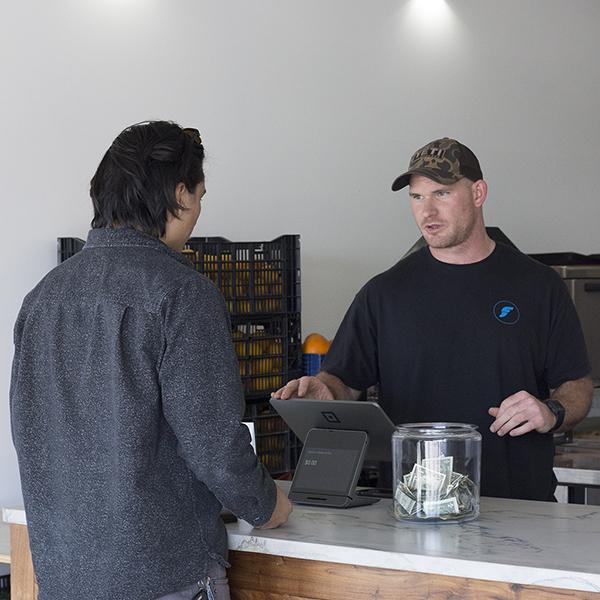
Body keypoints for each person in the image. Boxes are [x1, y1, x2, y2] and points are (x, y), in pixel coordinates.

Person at [10, 121, 292, 600]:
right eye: (201, 195)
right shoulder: (182, 295)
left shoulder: (42, 298)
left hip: (63, 577)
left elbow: (31, 431)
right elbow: (215, 446)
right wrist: (268, 504)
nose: (200, 209)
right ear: (180, 194)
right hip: (166, 576)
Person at [274, 137, 592, 501]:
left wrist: (551, 411)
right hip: (415, 508)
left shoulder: (539, 286)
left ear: (478, 192)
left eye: (441, 194)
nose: (427, 212)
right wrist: (325, 391)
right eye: (417, 197)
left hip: (520, 506)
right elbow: (344, 380)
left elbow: (576, 386)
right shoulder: (384, 293)